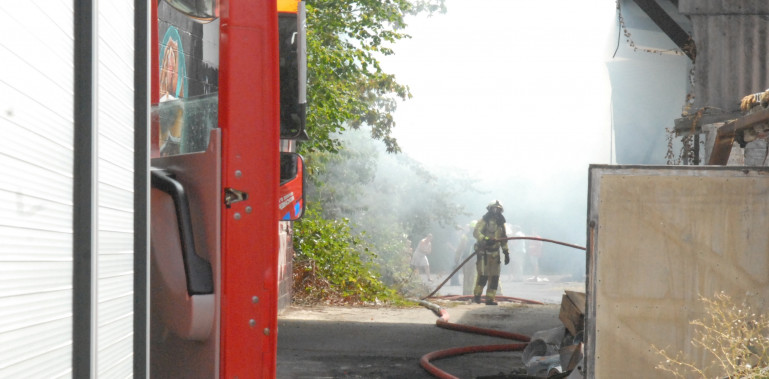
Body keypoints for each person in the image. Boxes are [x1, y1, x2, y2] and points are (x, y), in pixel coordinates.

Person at [472, 201, 509, 305]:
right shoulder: (484, 220)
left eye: (498, 209)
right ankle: (477, 296)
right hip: (484, 253)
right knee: (483, 276)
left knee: (495, 277)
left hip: (495, 254)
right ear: (490, 209)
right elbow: (476, 232)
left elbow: (503, 238)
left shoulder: (501, 223)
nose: (495, 211)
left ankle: (490, 299)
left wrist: (506, 252)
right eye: (493, 208)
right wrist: (486, 239)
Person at [462, 222, 477, 295]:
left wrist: (457, 258)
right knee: (473, 276)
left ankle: (466, 293)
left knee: (466, 276)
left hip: (467, 258)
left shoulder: (465, 236)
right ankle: (472, 293)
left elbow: (461, 248)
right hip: (476, 259)